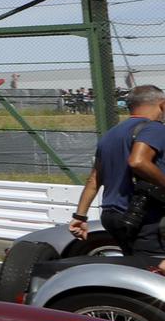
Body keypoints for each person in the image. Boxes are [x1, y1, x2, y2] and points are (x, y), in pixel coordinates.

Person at [69, 85, 165, 256]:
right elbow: (137, 161)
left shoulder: (111, 134)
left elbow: (94, 179)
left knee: (135, 265)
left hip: (111, 216)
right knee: (154, 272)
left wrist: (80, 217)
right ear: (162, 105)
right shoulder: (155, 129)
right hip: (142, 215)